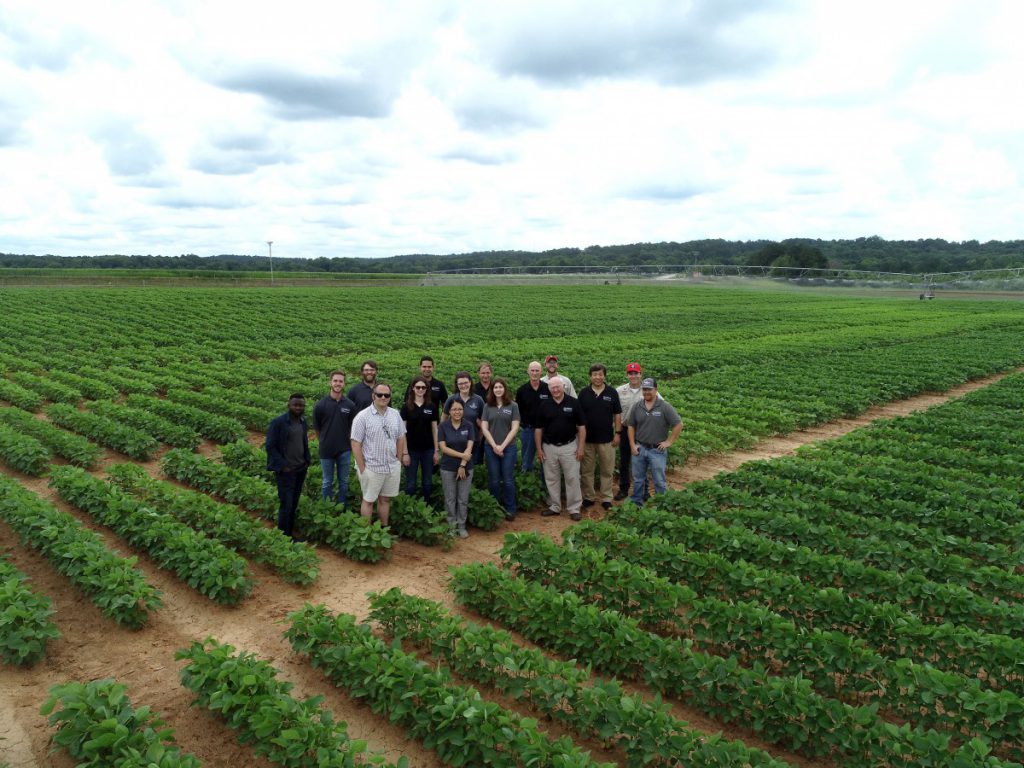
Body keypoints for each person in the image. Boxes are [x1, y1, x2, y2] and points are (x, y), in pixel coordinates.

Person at [350, 382, 406, 527]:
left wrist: (398, 460)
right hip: (371, 467)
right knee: (368, 500)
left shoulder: (395, 414)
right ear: (373, 396)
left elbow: (401, 437)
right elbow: (355, 443)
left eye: (386, 395)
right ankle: (366, 532)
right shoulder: (362, 417)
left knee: (385, 500)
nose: (383, 397)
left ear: (390, 397)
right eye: (379, 394)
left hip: (390, 466)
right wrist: (362, 468)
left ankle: (383, 528)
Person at [627, 377, 683, 507]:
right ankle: (636, 503)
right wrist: (632, 445)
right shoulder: (637, 406)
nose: (646, 392)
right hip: (640, 448)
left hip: (657, 450)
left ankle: (662, 504)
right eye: (644, 389)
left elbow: (678, 424)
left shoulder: (664, 406)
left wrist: (669, 442)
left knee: (659, 480)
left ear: (656, 390)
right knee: (638, 479)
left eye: (649, 389)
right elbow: (631, 426)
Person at [535, 377, 585, 520]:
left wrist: (580, 448)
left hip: (569, 446)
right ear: (549, 389)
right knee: (551, 478)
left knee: (573, 478)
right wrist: (539, 449)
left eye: (558, 387)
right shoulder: (544, 405)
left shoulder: (574, 403)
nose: (555, 390)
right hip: (549, 447)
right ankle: (554, 506)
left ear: (563, 387)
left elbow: (582, 428)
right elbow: (538, 429)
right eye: (552, 388)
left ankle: (574, 508)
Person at [265, 393, 310, 540]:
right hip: (287, 471)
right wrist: (283, 466)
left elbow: (304, 442)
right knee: (286, 504)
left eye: (301, 405)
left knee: (294, 502)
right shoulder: (278, 422)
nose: (298, 407)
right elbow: (270, 446)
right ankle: (284, 536)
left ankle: (289, 533)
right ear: (289, 405)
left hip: (300, 469)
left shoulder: (303, 422)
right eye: (295, 405)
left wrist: (306, 460)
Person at [577, 363, 622, 512]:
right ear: (590, 376)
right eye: (595, 374)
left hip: (607, 439)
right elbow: (578, 416)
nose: (598, 377)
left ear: (604, 376)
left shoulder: (611, 392)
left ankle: (606, 498)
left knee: (607, 470)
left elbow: (617, 414)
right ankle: (589, 497)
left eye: (600, 374)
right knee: (587, 471)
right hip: (587, 440)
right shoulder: (583, 393)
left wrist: (618, 433)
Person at [312, 370, 356, 507]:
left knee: (344, 481)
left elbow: (352, 428)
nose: (338, 383)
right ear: (330, 382)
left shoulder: (350, 405)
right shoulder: (320, 405)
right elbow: (317, 429)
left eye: (340, 381)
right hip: (326, 449)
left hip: (344, 449)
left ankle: (341, 506)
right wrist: (324, 441)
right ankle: (327, 507)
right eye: (335, 380)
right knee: (327, 481)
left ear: (344, 384)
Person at [481, 377, 520, 520]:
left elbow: (515, 428)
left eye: (500, 387)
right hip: (490, 447)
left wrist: (502, 446)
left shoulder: (513, 406)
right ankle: (495, 507)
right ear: (492, 390)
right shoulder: (487, 406)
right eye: (495, 387)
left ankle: (510, 508)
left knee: (508, 479)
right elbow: (484, 428)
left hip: (508, 448)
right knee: (494, 479)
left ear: (505, 389)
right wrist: (494, 446)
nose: (498, 389)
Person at [438, 399, 475, 538]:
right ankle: (451, 525)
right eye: (454, 409)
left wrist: (462, 465)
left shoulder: (469, 425)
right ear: (449, 411)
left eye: (460, 409)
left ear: (463, 410)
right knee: (450, 498)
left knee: (463, 498)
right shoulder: (443, 426)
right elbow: (443, 448)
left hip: (466, 467)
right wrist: (462, 456)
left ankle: (461, 526)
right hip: (448, 467)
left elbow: (470, 446)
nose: (457, 412)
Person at [400, 375, 440, 500]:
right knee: (411, 483)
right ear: (413, 388)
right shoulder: (406, 407)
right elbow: (402, 431)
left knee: (427, 482)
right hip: (411, 450)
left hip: (428, 450)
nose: (421, 389)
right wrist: (405, 453)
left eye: (423, 387)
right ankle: (410, 507)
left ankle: (426, 506)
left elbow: (435, 429)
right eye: (418, 387)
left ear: (427, 389)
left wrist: (436, 450)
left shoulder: (432, 406)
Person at [615, 362, 645, 500]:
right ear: (627, 375)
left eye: (636, 373)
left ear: (640, 374)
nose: (633, 376)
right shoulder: (620, 391)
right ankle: (623, 489)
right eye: (630, 373)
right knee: (624, 461)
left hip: (642, 431)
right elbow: (614, 412)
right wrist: (617, 431)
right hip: (625, 429)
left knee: (642, 461)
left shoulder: (648, 389)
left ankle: (643, 490)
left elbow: (661, 406)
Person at [444, 371, 486, 466]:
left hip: (472, 441)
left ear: (470, 382)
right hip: (454, 441)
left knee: (469, 468)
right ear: (457, 385)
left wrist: (479, 437)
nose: (463, 386)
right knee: (454, 467)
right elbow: (444, 418)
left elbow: (484, 421)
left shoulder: (478, 400)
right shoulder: (451, 399)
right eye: (460, 383)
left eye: (466, 382)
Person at [515, 361, 550, 473]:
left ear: (541, 372)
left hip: (546, 430)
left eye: (537, 371)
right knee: (527, 459)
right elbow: (518, 411)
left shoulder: (547, 388)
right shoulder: (521, 391)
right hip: (528, 430)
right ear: (528, 371)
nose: (534, 373)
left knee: (546, 460)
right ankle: (526, 484)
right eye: (532, 370)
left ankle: (545, 485)